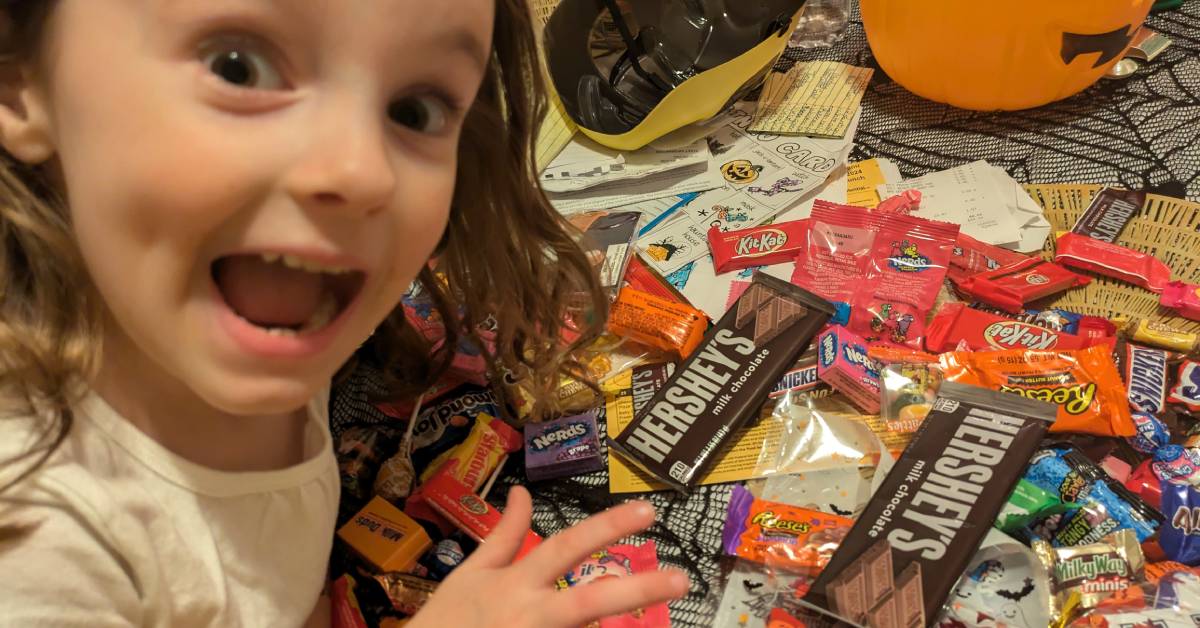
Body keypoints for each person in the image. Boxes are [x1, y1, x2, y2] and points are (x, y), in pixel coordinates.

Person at [0, 1, 689, 626]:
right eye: (237, 66)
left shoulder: (258, 306)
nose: (364, 172)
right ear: (17, 74)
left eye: (415, 109)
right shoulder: (40, 553)